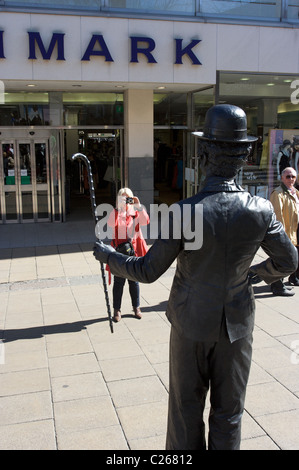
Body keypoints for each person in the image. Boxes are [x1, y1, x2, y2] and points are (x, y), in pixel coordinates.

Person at [93, 105, 297, 450]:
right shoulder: (260, 210)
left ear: (204, 153)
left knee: (186, 410)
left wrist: (108, 256)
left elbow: (146, 270)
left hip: (190, 324)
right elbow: (289, 260)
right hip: (237, 326)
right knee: (229, 415)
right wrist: (254, 275)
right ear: (245, 155)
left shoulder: (184, 212)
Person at [107, 187, 149, 322]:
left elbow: (145, 221)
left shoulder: (136, 212)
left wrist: (138, 205)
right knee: (119, 282)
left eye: (128, 198)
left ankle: (136, 307)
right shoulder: (115, 212)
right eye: (122, 198)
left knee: (134, 281)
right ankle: (117, 310)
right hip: (120, 252)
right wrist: (119, 210)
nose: (125, 201)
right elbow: (110, 224)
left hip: (133, 251)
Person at [270, 167, 299, 294]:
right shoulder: (278, 193)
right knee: (281, 259)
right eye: (288, 177)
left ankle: (290, 279)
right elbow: (277, 216)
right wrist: (281, 235)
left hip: (295, 230)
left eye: (293, 176)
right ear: (282, 178)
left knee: (292, 258)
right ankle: (277, 285)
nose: (291, 179)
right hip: (285, 232)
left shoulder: (296, 192)